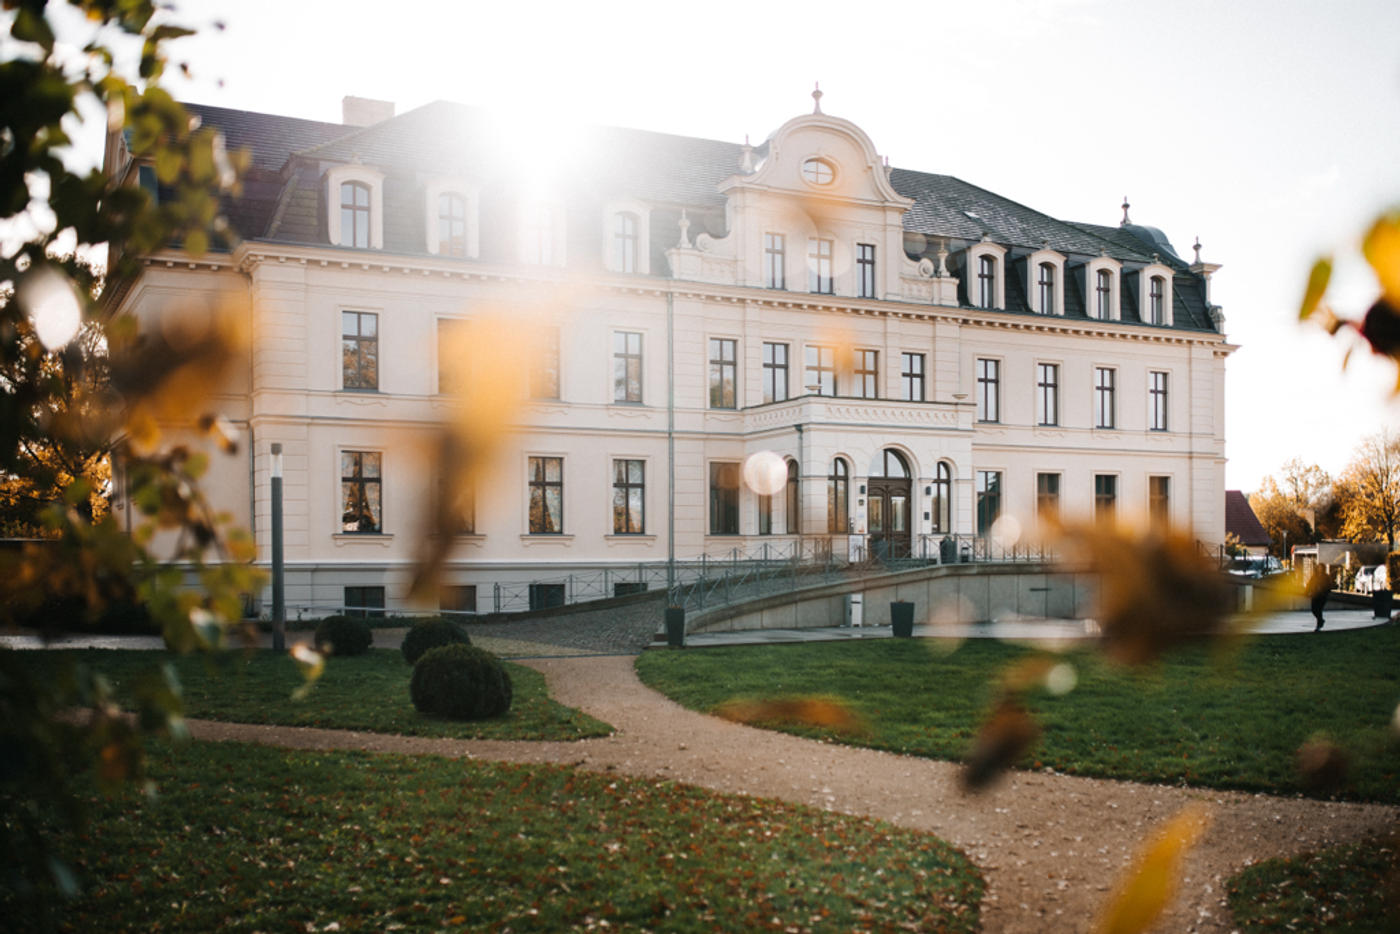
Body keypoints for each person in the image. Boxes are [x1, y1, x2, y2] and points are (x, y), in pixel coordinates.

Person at [1307, 566, 1334, 631]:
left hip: (1322, 596)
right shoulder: (1314, 576)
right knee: (1314, 610)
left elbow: (1329, 586)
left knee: (1319, 610)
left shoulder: (1326, 577)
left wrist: (1324, 592)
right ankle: (1321, 620)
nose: (1320, 569)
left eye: (1321, 568)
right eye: (1319, 568)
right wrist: (1307, 591)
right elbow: (1310, 584)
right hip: (1315, 595)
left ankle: (1319, 625)